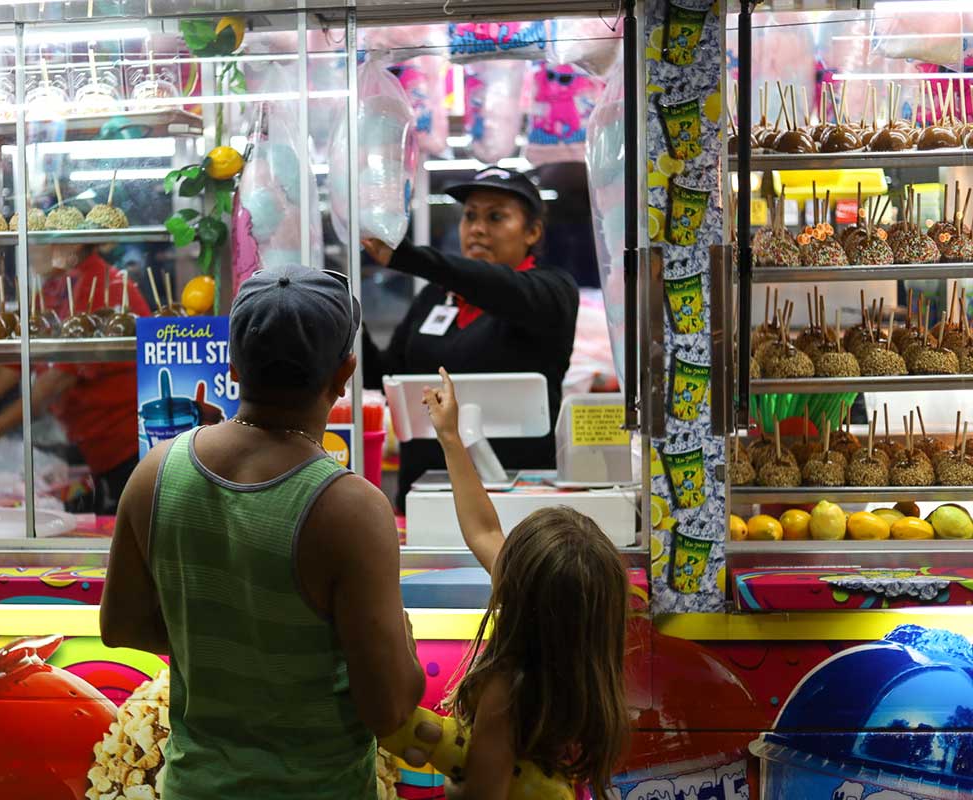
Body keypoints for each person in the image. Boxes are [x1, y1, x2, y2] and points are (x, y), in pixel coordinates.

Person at [100, 264, 426, 798]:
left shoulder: (156, 472)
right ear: (343, 375)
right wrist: (403, 645)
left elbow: (120, 626)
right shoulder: (350, 509)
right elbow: (388, 708)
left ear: (231, 364)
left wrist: (215, 642)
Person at [421, 368, 629, 800]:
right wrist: (450, 438)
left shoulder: (505, 692)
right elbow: (482, 529)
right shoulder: (565, 633)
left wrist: (453, 779)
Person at [362, 167, 579, 510]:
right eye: (470, 216)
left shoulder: (551, 292)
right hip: (425, 500)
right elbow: (386, 377)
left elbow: (497, 287)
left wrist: (407, 257)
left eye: (496, 217)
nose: (477, 229)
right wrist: (347, 317)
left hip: (520, 501)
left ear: (533, 231)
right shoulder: (435, 297)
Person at [0, 243, 151, 515]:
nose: (32, 249)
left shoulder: (105, 287)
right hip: (88, 444)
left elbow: (56, 381)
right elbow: (11, 366)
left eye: (41, 241)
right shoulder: (54, 288)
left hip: (128, 447)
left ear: (73, 245)